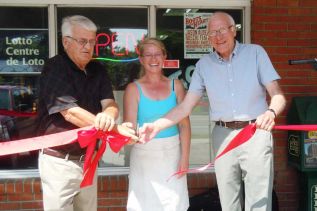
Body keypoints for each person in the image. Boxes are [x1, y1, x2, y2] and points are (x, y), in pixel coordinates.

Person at [139, 12, 286, 211]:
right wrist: (156, 125)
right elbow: (185, 107)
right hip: (222, 134)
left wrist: (270, 112)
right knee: (228, 200)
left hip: (255, 132)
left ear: (233, 30)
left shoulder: (256, 53)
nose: (218, 36)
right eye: (212, 33)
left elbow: (277, 95)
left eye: (222, 30)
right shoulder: (203, 66)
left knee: (259, 200)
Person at [36, 15, 136, 211]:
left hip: (90, 160)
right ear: (66, 42)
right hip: (59, 162)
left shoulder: (97, 69)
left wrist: (108, 115)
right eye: (82, 41)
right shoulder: (55, 67)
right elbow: (70, 113)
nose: (88, 46)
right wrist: (115, 130)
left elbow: (110, 103)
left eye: (92, 41)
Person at [123, 37, 191, 211]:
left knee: (175, 205)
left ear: (164, 57)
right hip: (144, 157)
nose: (153, 59)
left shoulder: (177, 86)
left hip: (173, 156)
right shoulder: (133, 89)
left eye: (157, 54)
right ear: (141, 59)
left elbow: (184, 125)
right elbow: (129, 128)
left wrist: (184, 159)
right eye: (148, 55)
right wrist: (127, 137)